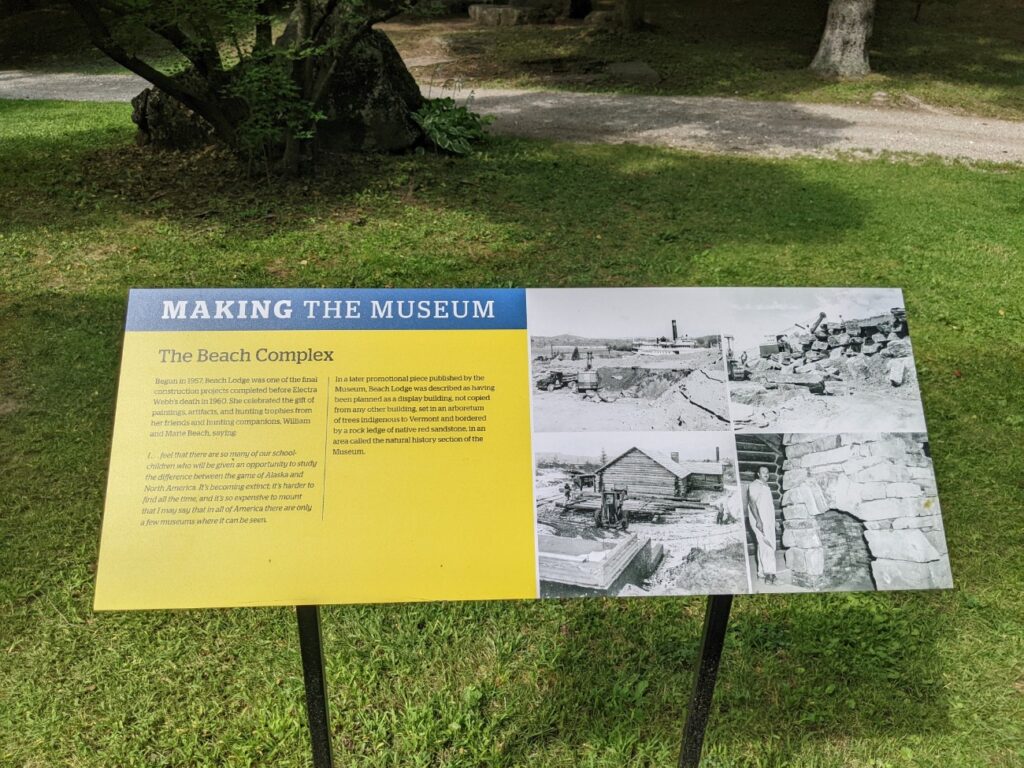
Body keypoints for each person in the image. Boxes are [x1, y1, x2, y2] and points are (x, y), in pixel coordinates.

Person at [746, 466, 777, 585]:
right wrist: (758, 520)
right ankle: (770, 574)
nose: (766, 474)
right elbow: (752, 503)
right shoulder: (755, 485)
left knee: (763, 545)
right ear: (758, 474)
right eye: (763, 472)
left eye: (767, 472)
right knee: (767, 545)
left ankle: (761, 573)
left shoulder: (766, 486)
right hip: (760, 520)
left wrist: (775, 521)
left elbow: (768, 506)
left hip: (768, 520)